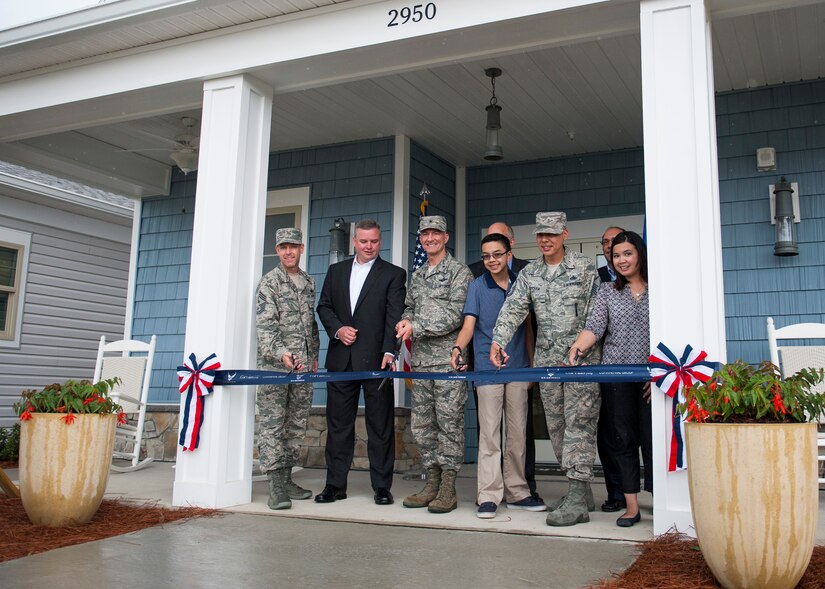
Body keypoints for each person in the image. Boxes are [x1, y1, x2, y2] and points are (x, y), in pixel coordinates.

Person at [490, 211, 600, 527]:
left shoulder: (583, 267)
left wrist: (582, 345)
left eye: (551, 234)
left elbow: (596, 314)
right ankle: (579, 489)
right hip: (548, 364)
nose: (545, 240)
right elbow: (513, 309)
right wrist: (497, 341)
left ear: (564, 234)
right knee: (557, 426)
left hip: (581, 362)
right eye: (540, 235)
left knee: (580, 423)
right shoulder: (531, 274)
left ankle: (578, 496)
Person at [451, 232, 545, 519]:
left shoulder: (522, 283)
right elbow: (469, 326)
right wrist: (458, 347)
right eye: (486, 255)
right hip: (486, 368)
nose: (491, 260)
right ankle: (489, 495)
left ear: (508, 254)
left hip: (518, 368)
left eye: (497, 254)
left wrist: (530, 367)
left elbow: (528, 329)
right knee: (490, 435)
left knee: (517, 435)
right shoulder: (477, 287)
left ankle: (517, 492)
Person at [315, 220, 407, 505]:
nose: (369, 246)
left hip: (377, 360)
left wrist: (390, 352)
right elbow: (324, 306)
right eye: (364, 241)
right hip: (341, 360)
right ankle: (335, 485)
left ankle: (381, 486)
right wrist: (338, 329)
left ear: (381, 242)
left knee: (380, 427)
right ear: (354, 241)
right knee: (339, 426)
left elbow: (395, 315)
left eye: (375, 242)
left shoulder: (393, 274)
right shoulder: (336, 271)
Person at [567, 230, 652, 528]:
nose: (621, 260)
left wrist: (661, 375)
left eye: (627, 253)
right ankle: (631, 506)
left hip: (653, 381)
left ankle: (660, 502)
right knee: (623, 442)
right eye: (616, 256)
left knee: (653, 441)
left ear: (639, 253)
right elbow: (594, 327)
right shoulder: (607, 291)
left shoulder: (660, 287)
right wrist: (578, 347)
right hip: (616, 376)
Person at [395, 215, 473, 514]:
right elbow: (409, 307)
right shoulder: (417, 275)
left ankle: (448, 488)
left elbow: (456, 314)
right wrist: (405, 320)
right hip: (422, 363)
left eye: (435, 234)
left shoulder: (458, 272)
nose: (429, 239)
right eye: (425, 234)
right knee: (423, 425)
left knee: (449, 424)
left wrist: (417, 326)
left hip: (447, 362)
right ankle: (432, 481)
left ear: (445, 237)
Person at [255, 227, 320, 510]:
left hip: (303, 369)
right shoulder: (269, 283)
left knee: (295, 425)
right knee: (273, 426)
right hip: (275, 369)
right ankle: (274, 486)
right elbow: (265, 329)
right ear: (277, 250)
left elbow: (310, 325)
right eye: (283, 247)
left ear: (301, 248)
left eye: (293, 246)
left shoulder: (308, 282)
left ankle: (287, 479)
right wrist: (283, 354)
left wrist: (314, 355)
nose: (288, 251)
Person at [596, 225, 627, 513]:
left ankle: (653, 491)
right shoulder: (597, 281)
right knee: (609, 434)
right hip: (604, 366)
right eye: (605, 243)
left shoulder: (646, 278)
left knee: (638, 432)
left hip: (640, 368)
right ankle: (616, 492)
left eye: (615, 243)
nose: (609, 247)